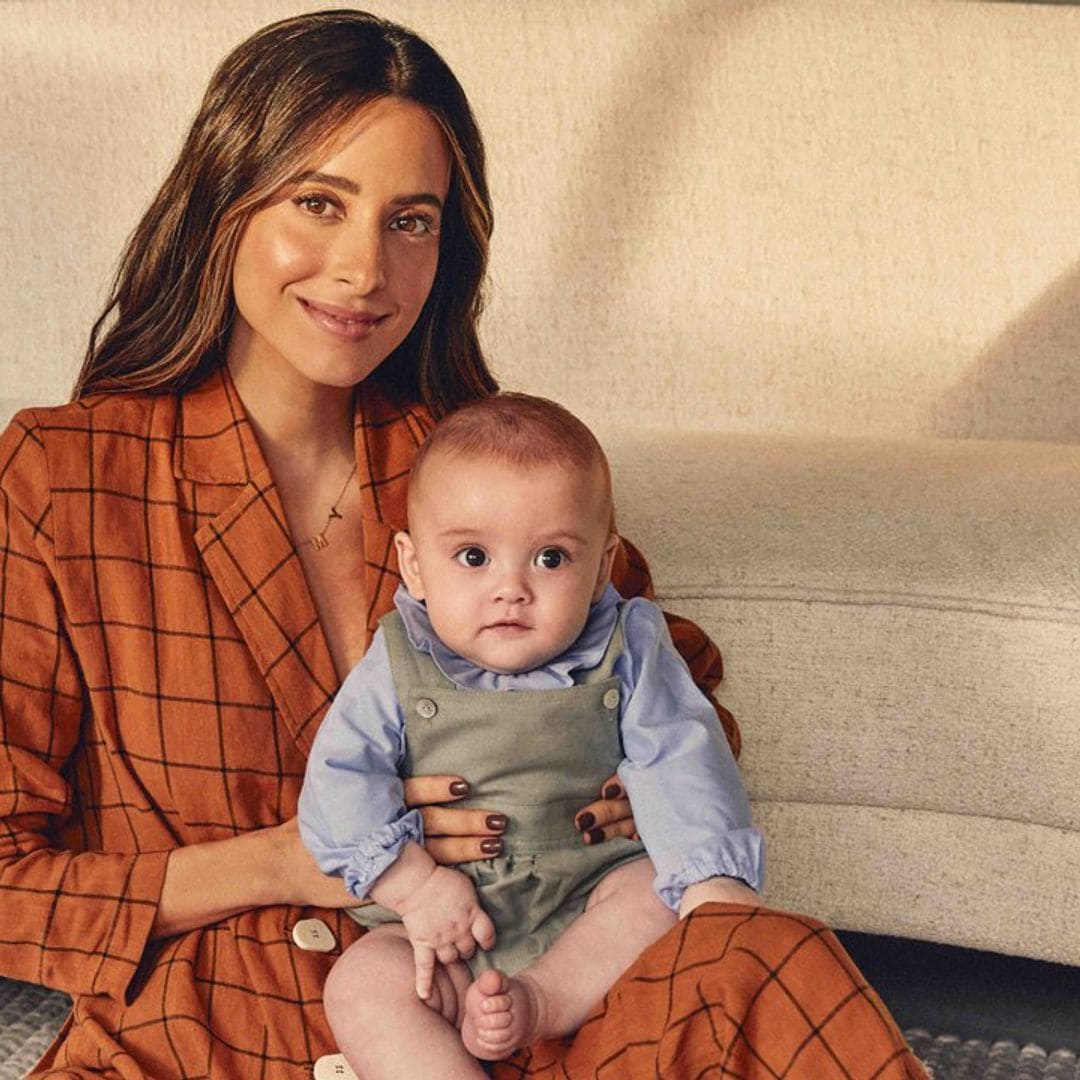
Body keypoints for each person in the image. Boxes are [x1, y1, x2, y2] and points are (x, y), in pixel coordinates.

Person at [0, 9, 927, 1079]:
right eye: (318, 203)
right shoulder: (63, 479)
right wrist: (287, 864)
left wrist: (612, 787)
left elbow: (664, 667)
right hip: (211, 1037)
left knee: (773, 960)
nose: (363, 269)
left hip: (521, 1012)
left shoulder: (469, 457)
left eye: (411, 221)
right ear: (225, 204)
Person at [298, 393, 765, 1076]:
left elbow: (681, 755)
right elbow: (338, 777)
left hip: (591, 905)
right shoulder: (398, 659)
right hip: (444, 931)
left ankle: (543, 999)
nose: (511, 588)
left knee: (654, 891)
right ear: (414, 564)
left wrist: (712, 883)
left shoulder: (629, 645)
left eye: (550, 558)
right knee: (364, 983)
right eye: (472, 556)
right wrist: (411, 886)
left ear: (603, 567)